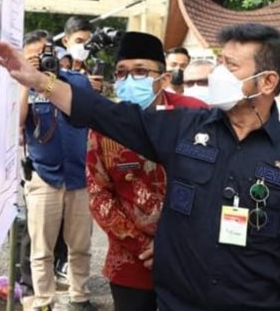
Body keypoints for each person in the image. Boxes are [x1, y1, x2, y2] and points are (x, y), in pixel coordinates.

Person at [0, 23, 280, 311]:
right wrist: (40, 81)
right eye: (220, 61)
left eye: (231, 66)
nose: (218, 73)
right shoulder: (185, 128)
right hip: (177, 303)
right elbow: (105, 114)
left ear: (267, 82)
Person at [86, 32, 207, 311]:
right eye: (121, 73)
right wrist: (142, 246)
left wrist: (172, 244)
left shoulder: (195, 115)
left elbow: (213, 184)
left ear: (163, 79)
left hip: (187, 256)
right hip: (131, 261)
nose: (129, 80)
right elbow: (98, 193)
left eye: (140, 71)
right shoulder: (105, 125)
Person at [19, 30, 97, 311]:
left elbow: (92, 113)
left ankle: (79, 297)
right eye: (31, 58)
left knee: (80, 245)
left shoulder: (76, 82)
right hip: (44, 176)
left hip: (79, 176)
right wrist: (26, 81)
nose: (39, 61)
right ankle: (43, 301)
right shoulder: (23, 88)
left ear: (54, 52)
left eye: (43, 54)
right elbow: (17, 122)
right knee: (42, 249)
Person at [61, 16, 102, 92]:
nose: (84, 46)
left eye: (88, 42)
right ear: (65, 41)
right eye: (79, 41)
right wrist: (81, 83)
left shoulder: (90, 72)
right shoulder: (55, 67)